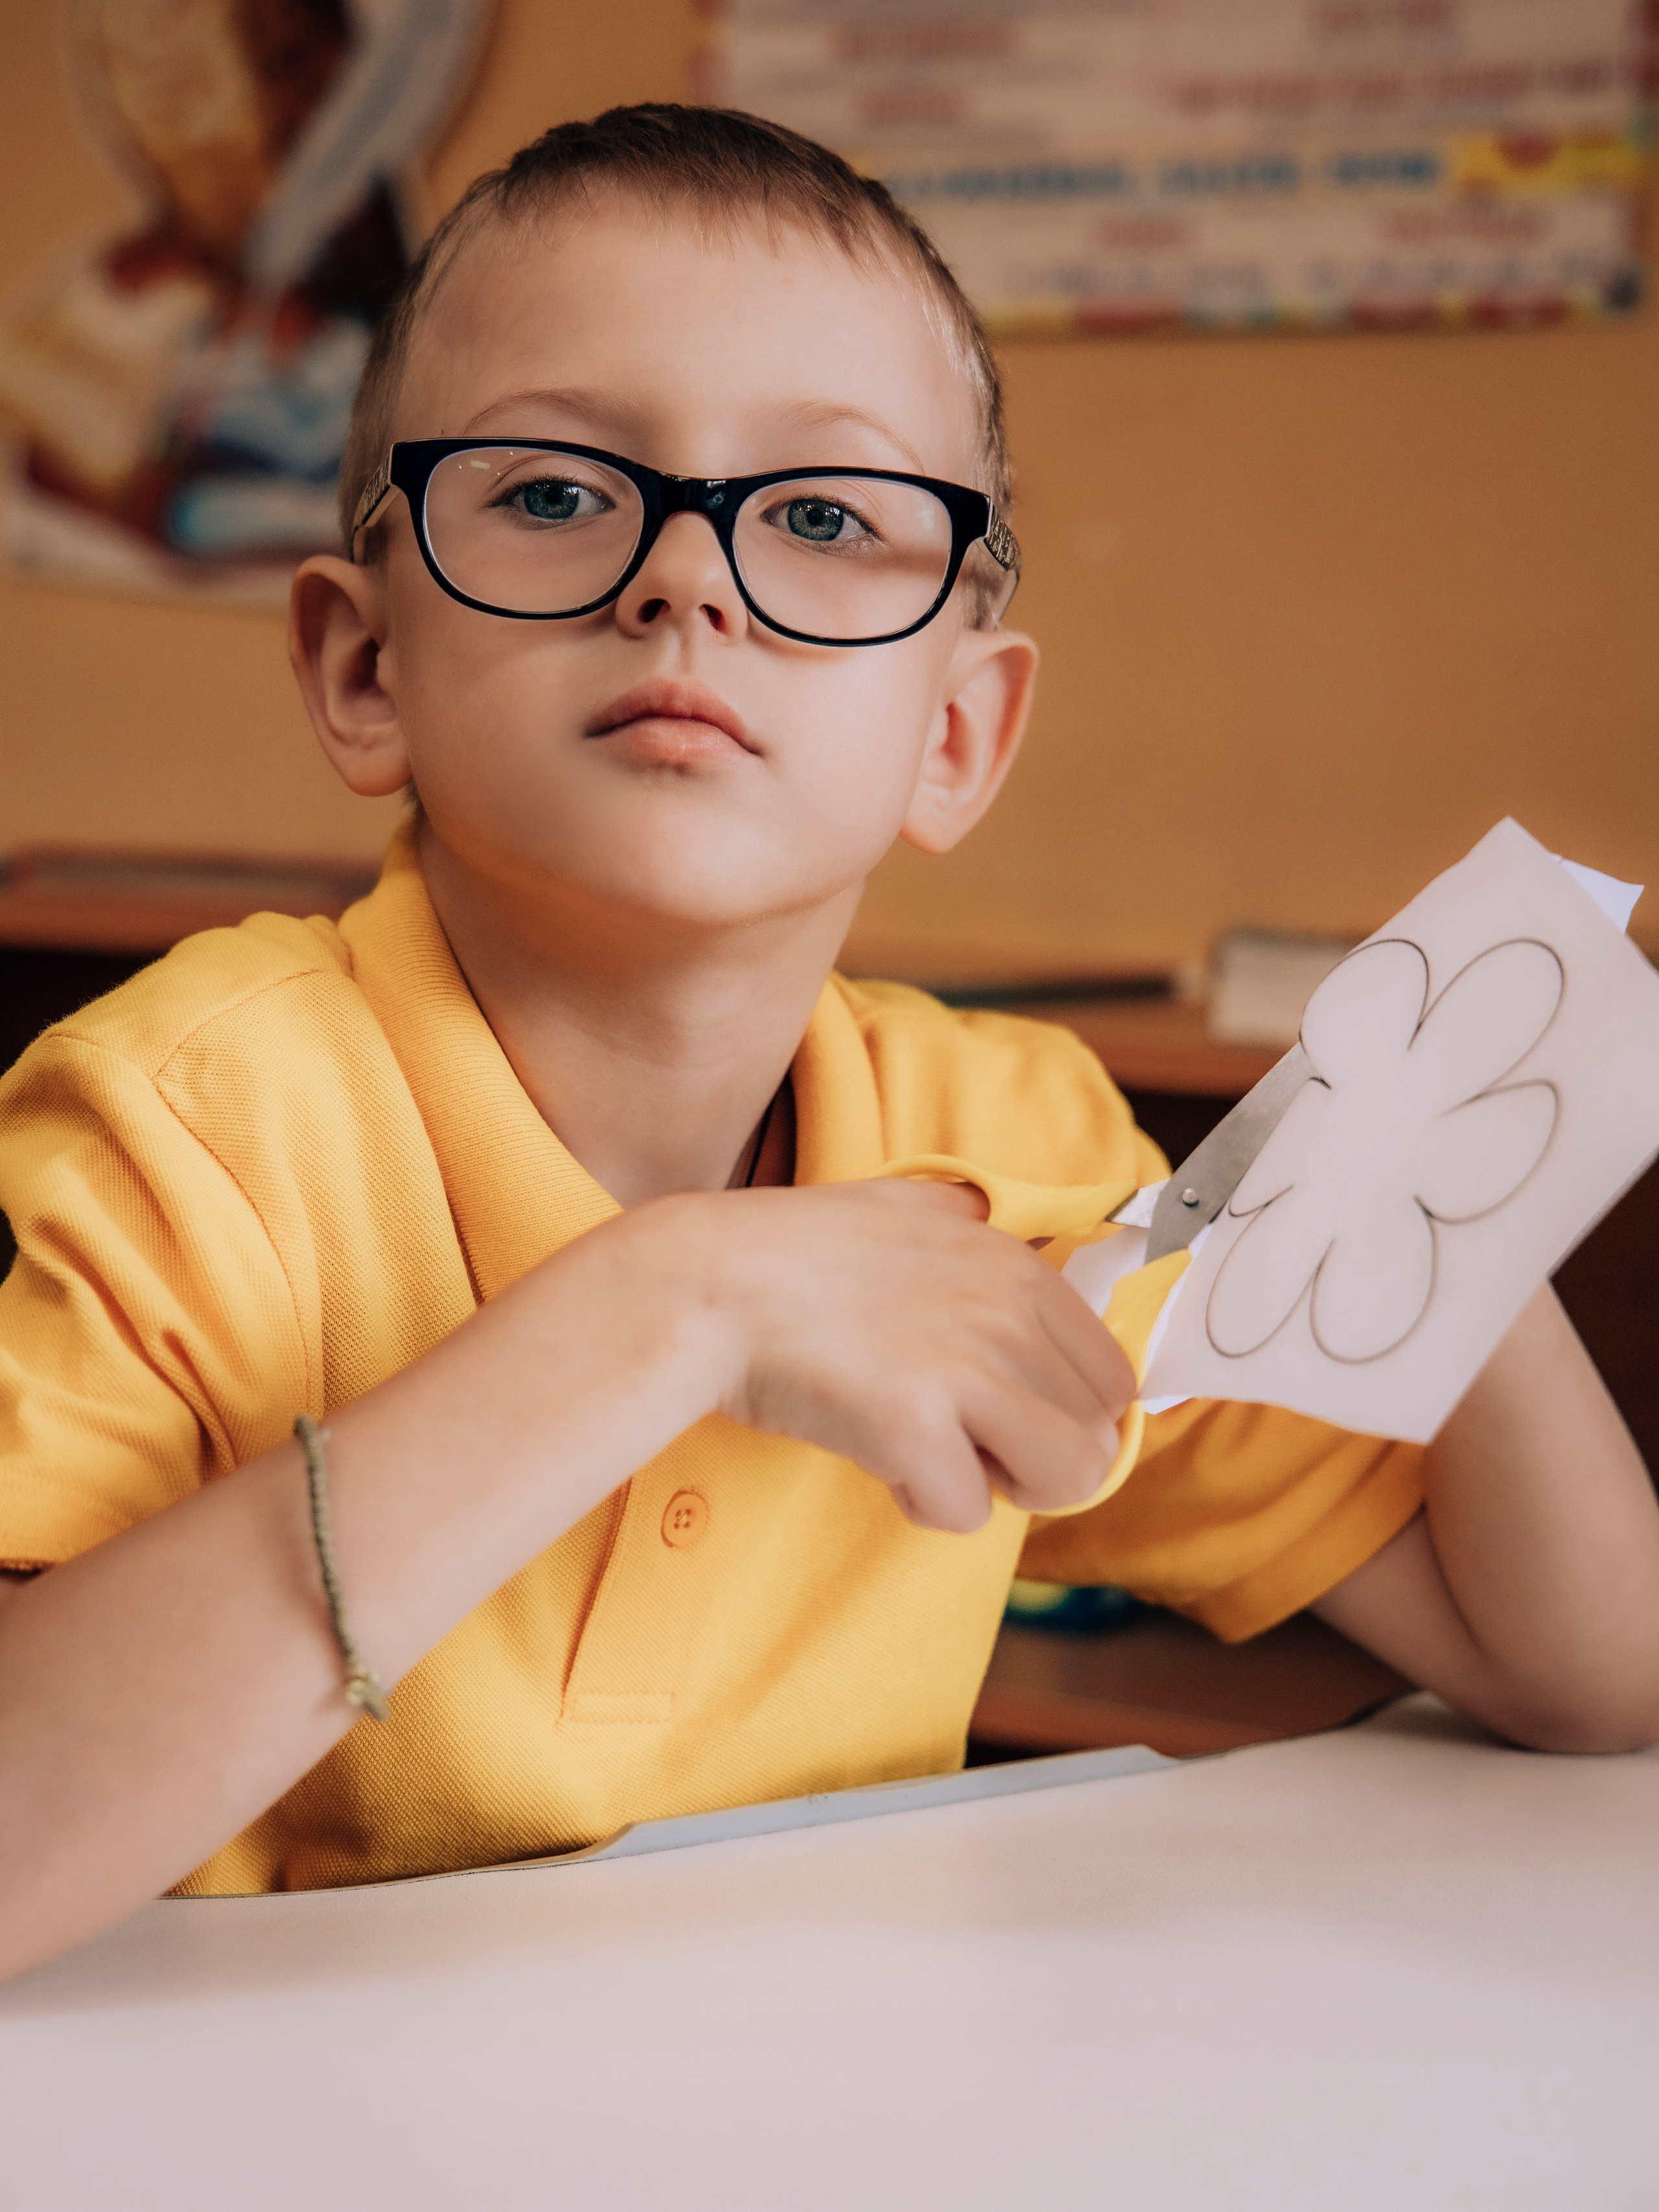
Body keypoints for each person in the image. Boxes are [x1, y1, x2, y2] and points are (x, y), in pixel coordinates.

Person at [1, 105, 1655, 1987]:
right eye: (552, 490)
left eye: (822, 516)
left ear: (957, 734)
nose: (685, 581)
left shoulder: (1017, 1141)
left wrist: (1438, 1153)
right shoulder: (185, 1122)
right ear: (364, 668)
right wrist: (676, 1306)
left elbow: (1589, 1672)